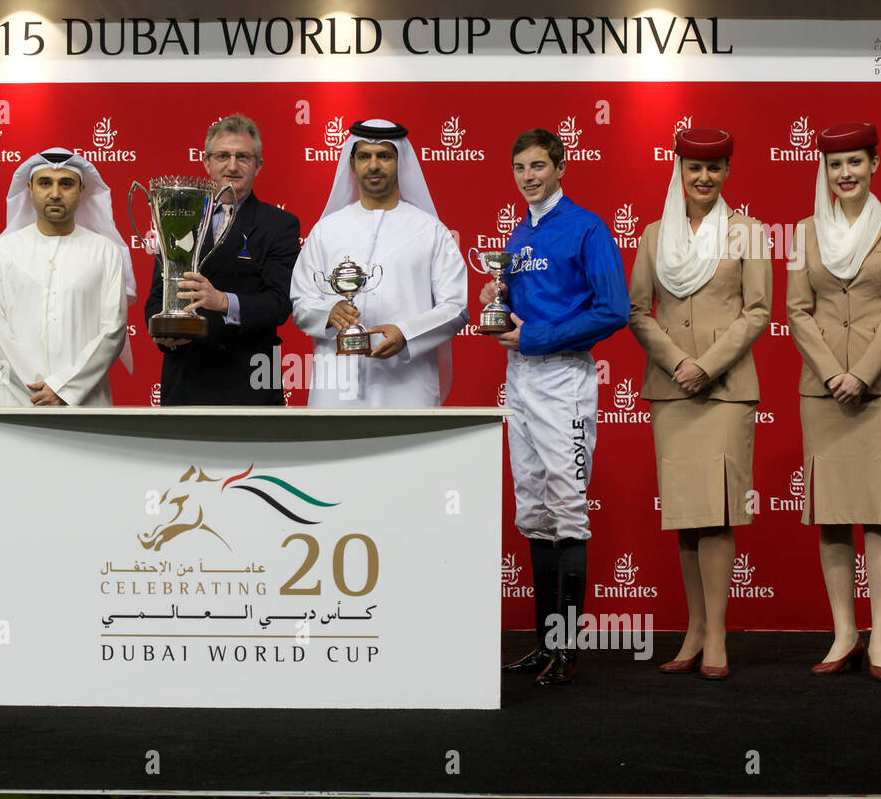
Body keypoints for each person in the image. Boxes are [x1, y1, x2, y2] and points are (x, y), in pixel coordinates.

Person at [0, 148, 130, 650]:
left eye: (66, 183)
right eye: (45, 183)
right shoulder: (2, 252)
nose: (55, 192)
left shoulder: (104, 252)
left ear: (82, 192)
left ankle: (81, 629)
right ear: (29, 191)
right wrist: (36, 385)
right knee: (9, 524)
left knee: (83, 521)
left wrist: (64, 388)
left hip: (83, 409)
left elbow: (112, 329)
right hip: (12, 406)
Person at [486, 128, 629, 685]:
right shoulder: (519, 233)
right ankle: (545, 645)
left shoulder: (588, 227)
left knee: (566, 510)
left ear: (561, 166)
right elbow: (521, 310)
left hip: (563, 380)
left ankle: (568, 651)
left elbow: (613, 310)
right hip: (519, 379)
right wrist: (496, 301)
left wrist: (539, 335)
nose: (529, 176)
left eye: (539, 166)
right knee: (534, 512)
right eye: (520, 167)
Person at [627, 127, 770, 680]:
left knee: (719, 512)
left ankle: (717, 632)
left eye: (714, 168)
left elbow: (758, 311)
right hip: (671, 389)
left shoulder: (750, 233)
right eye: (693, 168)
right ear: (679, 172)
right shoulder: (653, 234)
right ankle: (692, 628)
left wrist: (705, 365)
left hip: (725, 389)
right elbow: (639, 311)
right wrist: (677, 363)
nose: (703, 178)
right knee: (687, 515)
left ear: (727, 172)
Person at [787, 121, 881, 682]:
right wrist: (832, 372)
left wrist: (861, 374)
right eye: (835, 164)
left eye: (855, 162)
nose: (845, 173)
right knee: (834, 517)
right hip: (823, 390)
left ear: (875, 164)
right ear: (825, 169)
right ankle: (845, 633)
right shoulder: (804, 231)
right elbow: (797, 308)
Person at [289, 118, 467, 406]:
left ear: (400, 162)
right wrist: (328, 312)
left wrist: (407, 333)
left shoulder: (431, 231)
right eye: (364, 156)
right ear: (352, 164)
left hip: (407, 387)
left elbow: (456, 308)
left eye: (384, 156)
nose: (373, 165)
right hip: (335, 389)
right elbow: (300, 302)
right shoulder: (326, 230)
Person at [144, 113, 299, 404]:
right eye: (222, 156)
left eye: (243, 157)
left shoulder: (279, 224)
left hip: (250, 383)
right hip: (184, 382)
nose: (232, 166)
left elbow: (279, 304)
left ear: (258, 165)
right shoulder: (177, 216)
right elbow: (156, 298)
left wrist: (223, 301)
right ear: (206, 163)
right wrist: (164, 334)